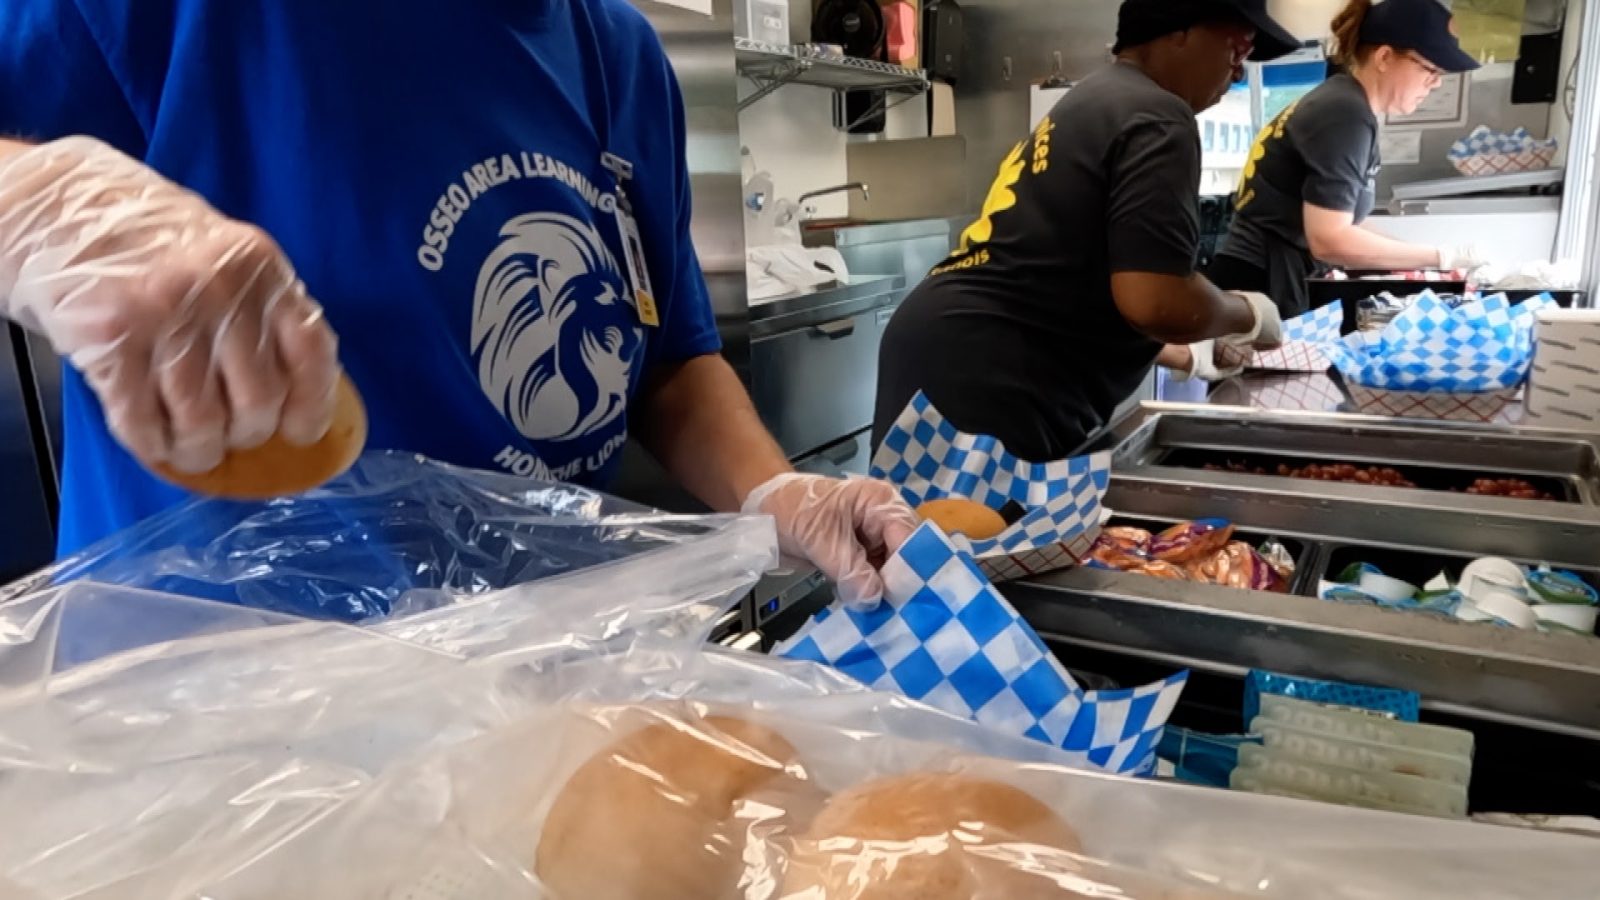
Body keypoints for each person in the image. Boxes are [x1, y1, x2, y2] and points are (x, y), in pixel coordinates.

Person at [0, 0, 914, 607]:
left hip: (527, 682)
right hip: (221, 704)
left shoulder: (622, 54)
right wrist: (41, 207)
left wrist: (775, 493)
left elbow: (669, 364)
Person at [873, 0, 1297, 461]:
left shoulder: (1099, 97)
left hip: (951, 349)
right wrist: (1248, 314)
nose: (1239, 71)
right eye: (1238, 50)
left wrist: (1188, 352)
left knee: (922, 511)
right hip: (993, 375)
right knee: (973, 512)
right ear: (1180, 28)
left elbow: (1065, 280)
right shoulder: (1158, 115)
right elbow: (1155, 301)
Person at [1208, 0, 1483, 317]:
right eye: (1430, 70)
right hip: (1258, 282)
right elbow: (1330, 238)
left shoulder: (1347, 104)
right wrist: (1439, 257)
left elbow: (1346, 219)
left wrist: (1415, 259)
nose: (1435, 84)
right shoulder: (1344, 113)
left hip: (1267, 275)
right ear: (1384, 57)